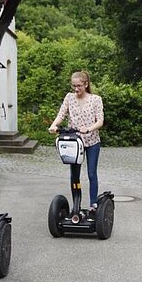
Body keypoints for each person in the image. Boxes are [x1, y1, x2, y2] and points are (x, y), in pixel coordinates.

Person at [49, 71, 104, 210]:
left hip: (92, 141)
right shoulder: (69, 98)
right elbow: (61, 114)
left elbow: (100, 121)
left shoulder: (96, 99)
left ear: (86, 84)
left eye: (79, 85)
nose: (76, 89)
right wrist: (54, 125)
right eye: (74, 86)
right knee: (74, 175)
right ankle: (76, 204)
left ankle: (93, 204)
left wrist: (88, 128)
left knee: (92, 173)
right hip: (74, 141)